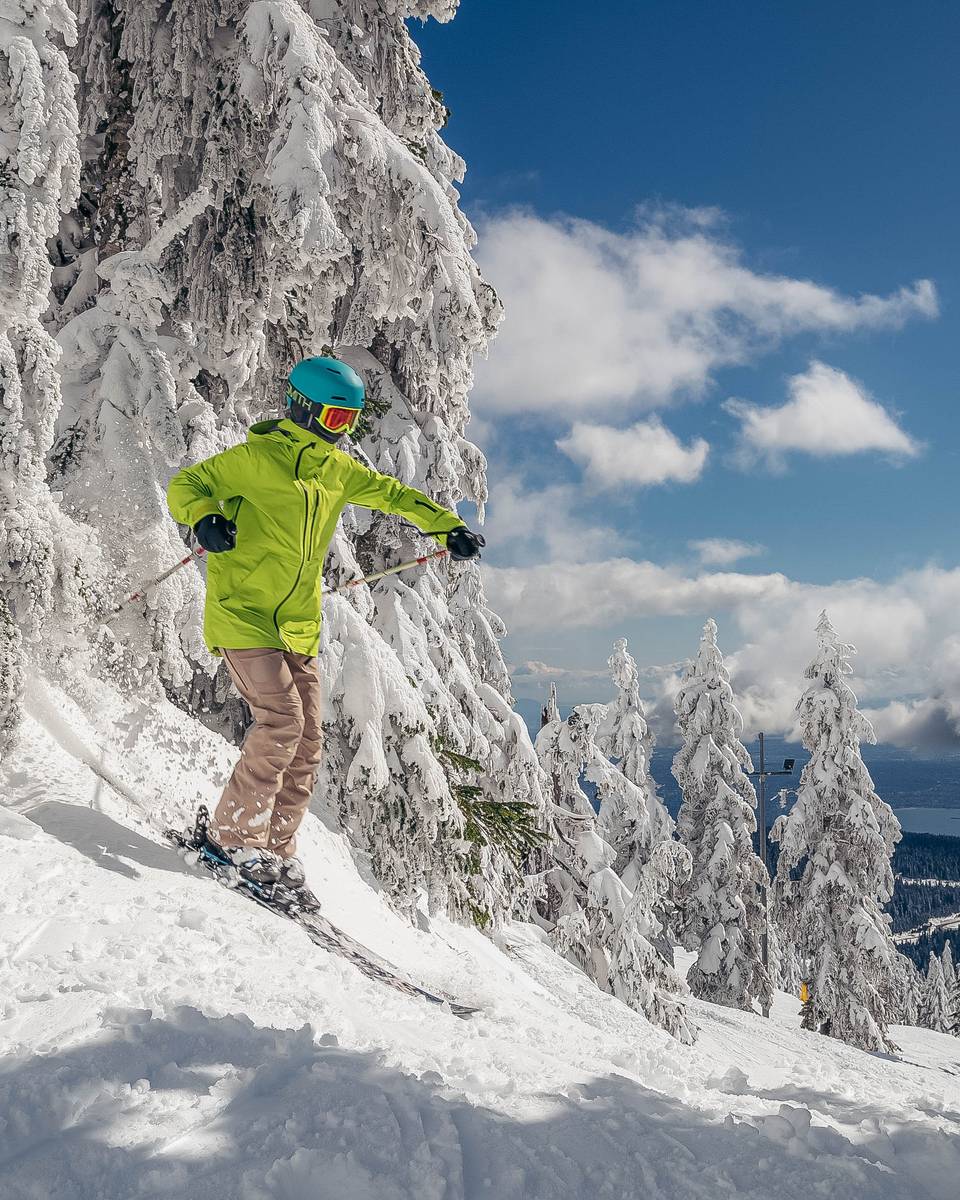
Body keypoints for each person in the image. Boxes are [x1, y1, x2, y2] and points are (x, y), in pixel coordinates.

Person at [167, 356, 484, 893]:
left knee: (308, 741)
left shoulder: (336, 472)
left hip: (298, 626)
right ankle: (231, 839)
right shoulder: (258, 460)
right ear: (303, 409)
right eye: (336, 420)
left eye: (350, 423)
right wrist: (204, 518)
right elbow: (187, 484)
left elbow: (393, 495)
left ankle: (277, 851)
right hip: (243, 617)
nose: (343, 434)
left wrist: (447, 526)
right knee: (282, 722)